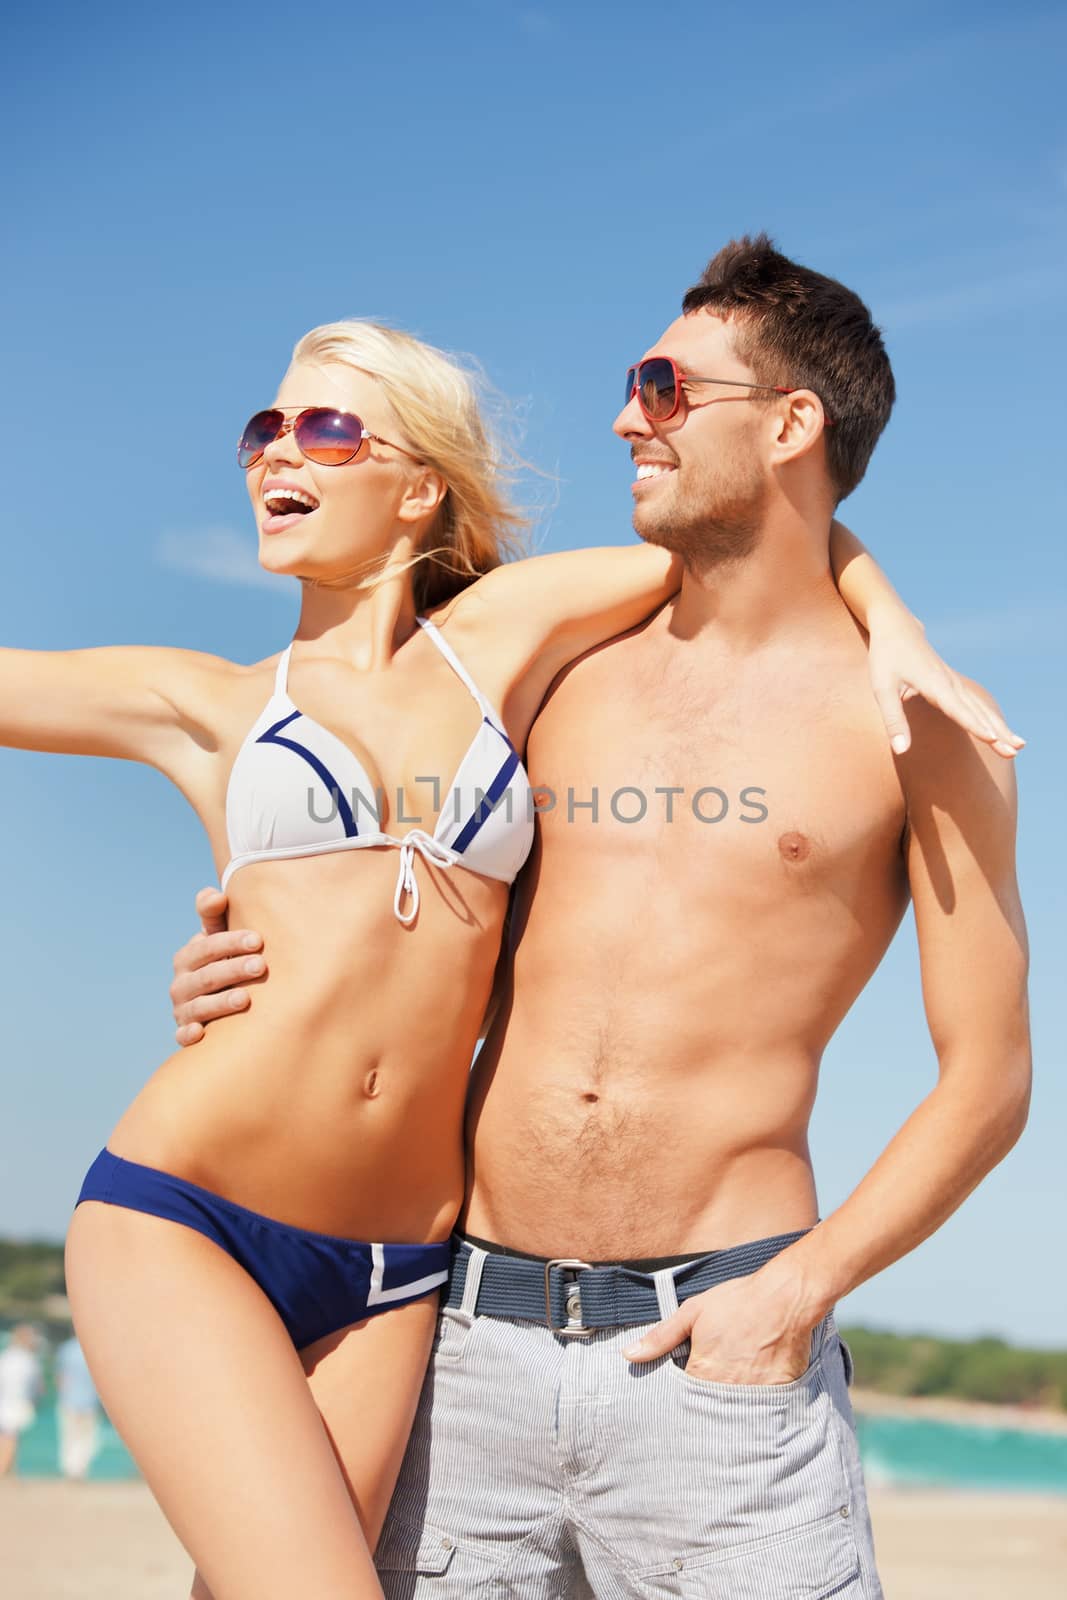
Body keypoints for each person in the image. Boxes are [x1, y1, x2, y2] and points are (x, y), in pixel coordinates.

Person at [171, 238, 1030, 1600]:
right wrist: (249, 964)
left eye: (666, 387)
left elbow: (986, 1081)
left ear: (792, 421)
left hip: (718, 1365)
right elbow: (386, 893)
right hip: (465, 1347)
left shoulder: (919, 730)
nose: (627, 416)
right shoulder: (551, 662)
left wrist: (791, 1298)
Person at [54, 1334, 101, 1481]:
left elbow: (60, 1377)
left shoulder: (66, 1349)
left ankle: (71, 1470)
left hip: (69, 1401)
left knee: (69, 1437)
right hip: (90, 1402)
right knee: (87, 1438)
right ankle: (80, 1469)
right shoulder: (95, 1349)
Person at [0, 1325, 43, 1478]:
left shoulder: (6, 1356)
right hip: (16, 1402)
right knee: (10, 1437)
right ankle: (4, 1470)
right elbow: (36, 1385)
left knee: (8, 1436)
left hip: (6, 1400)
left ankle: (10, 1469)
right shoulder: (27, 1359)